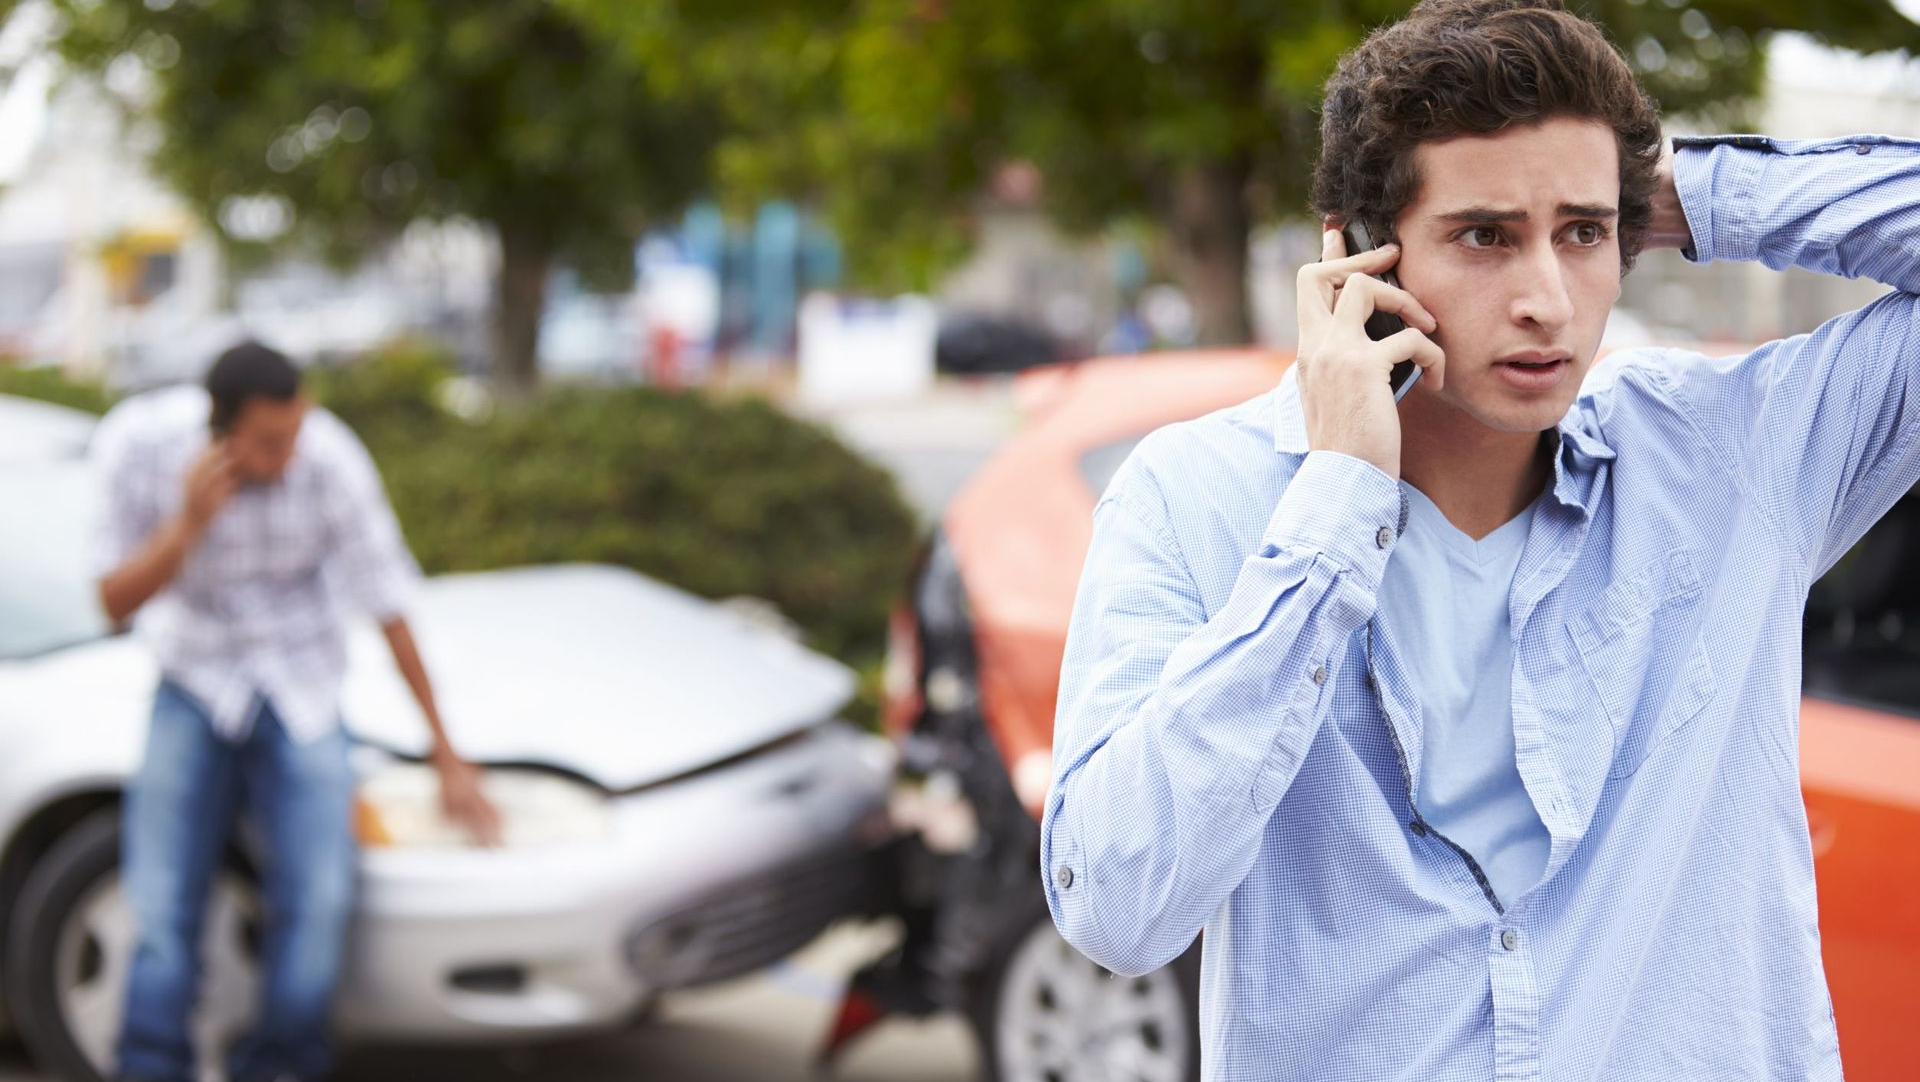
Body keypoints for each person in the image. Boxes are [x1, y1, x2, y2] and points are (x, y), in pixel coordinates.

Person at [1041, 1, 1917, 1077]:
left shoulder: (1729, 460)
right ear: (1363, 256)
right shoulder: (1195, 496)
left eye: (1584, 236)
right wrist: (1337, 505)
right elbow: (1117, 906)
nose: (1549, 299)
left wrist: (1673, 193)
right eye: (1486, 235)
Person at [92, 341, 503, 1082]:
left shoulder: (330, 460)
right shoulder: (138, 445)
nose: (290, 453)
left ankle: (280, 1066)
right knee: (159, 904)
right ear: (219, 433)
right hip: (194, 676)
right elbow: (112, 602)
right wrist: (186, 525)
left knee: (319, 897)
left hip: (302, 682)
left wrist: (447, 750)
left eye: (296, 431)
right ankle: (149, 1067)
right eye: (270, 442)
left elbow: (388, 599)